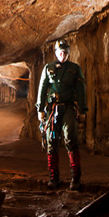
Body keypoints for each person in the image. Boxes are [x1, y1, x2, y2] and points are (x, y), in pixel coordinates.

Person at [36, 39, 87, 190]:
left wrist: (82, 110)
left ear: (68, 53)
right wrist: (40, 109)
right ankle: (53, 177)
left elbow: (81, 90)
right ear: (56, 53)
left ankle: (75, 178)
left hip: (68, 108)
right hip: (52, 109)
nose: (62, 55)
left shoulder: (75, 69)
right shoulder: (48, 68)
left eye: (65, 53)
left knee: (71, 138)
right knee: (51, 141)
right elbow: (42, 87)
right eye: (60, 52)